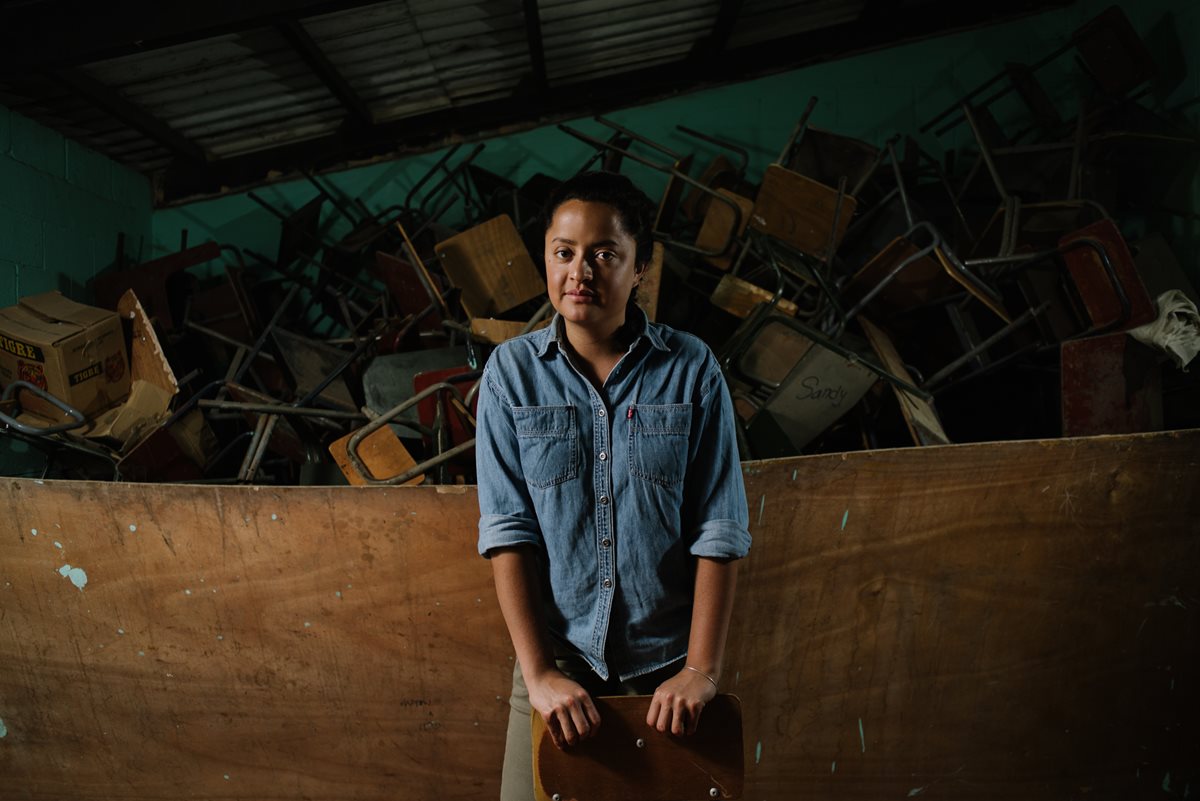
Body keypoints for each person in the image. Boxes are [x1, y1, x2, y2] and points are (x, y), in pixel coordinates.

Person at [475, 171, 751, 801]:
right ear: (546, 258)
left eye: (605, 254)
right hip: (558, 664)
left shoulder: (691, 369)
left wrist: (701, 671)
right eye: (564, 253)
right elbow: (506, 530)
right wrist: (540, 673)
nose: (581, 272)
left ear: (641, 267)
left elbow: (720, 526)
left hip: (668, 675)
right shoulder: (510, 376)